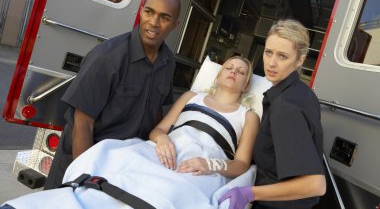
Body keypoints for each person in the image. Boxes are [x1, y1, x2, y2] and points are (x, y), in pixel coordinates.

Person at [1, 56, 260, 209]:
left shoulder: (248, 116)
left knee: (171, 193)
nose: (233, 72)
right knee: (116, 171)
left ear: (246, 83)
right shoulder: (193, 96)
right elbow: (158, 130)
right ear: (218, 75)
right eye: (229, 67)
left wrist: (210, 164)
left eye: (241, 71)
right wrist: (162, 140)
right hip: (166, 150)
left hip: (204, 165)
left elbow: (241, 164)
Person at [44, 0, 182, 189]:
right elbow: (83, 125)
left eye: (164, 17)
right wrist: (85, 179)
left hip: (124, 167)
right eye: (149, 12)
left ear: (175, 25)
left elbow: (156, 113)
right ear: (141, 11)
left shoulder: (168, 62)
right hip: (85, 159)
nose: (153, 22)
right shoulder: (107, 57)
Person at [219, 19, 326, 209]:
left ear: (300, 60)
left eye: (283, 56)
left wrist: (249, 193)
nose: (271, 63)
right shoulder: (303, 93)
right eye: (268, 53)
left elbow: (315, 185)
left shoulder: (285, 107)